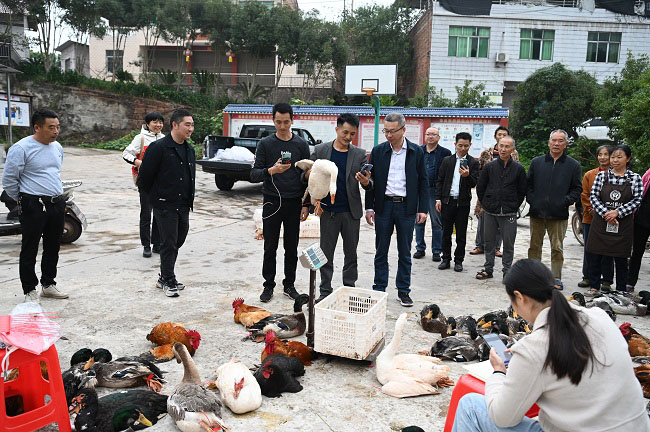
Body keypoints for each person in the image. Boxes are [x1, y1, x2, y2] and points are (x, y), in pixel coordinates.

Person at [452, 259, 650, 432]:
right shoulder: (599, 317)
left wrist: (498, 372)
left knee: (469, 406)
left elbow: (503, 417)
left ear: (520, 297)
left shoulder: (533, 349)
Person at [2, 108, 69, 302]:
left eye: (57, 127)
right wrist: (24, 199)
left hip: (56, 202)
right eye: (51, 127)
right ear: (37, 127)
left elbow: (55, 173)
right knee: (30, 247)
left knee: (52, 246)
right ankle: (29, 290)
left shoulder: (57, 147)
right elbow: (9, 180)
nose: (56, 131)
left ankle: (48, 284)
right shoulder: (22, 148)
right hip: (33, 204)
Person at [302, 113, 370, 303]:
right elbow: (306, 177)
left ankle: (349, 289)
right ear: (337, 129)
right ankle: (325, 291)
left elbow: (369, 182)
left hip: (350, 211)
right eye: (345, 132)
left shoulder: (359, 154)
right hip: (327, 211)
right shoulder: (321, 150)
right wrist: (308, 176)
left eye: (352, 134)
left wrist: (365, 181)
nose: (348, 137)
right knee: (326, 253)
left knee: (351, 253)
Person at [365, 112, 428, 307]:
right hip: (383, 206)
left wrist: (423, 209)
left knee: (405, 252)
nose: (389, 135)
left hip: (406, 208)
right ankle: (379, 288)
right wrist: (369, 207)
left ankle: (403, 290)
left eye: (393, 131)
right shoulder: (378, 151)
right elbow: (370, 180)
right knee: (381, 251)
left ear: (403, 130)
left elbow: (423, 182)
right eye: (386, 131)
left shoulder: (416, 152)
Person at [251, 103, 310, 303]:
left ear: (292, 120)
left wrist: (306, 204)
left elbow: (307, 176)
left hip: (294, 202)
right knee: (270, 246)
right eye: (278, 122)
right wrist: (271, 171)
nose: (282, 126)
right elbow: (253, 174)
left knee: (291, 247)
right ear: (273, 121)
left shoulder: (301, 145)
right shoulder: (266, 144)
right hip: (271, 201)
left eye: (286, 122)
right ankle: (268, 286)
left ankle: (289, 285)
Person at [137, 108, 195, 298]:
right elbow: (144, 178)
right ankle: (168, 279)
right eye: (187, 124)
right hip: (164, 204)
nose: (191, 128)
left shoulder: (189, 149)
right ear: (175, 125)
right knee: (169, 243)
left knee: (179, 239)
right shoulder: (159, 148)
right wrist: (156, 199)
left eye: (192, 125)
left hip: (183, 204)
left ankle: (164, 275)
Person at [526, 129, 581, 290]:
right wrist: (533, 201)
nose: (557, 144)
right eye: (554, 140)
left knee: (557, 247)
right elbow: (528, 185)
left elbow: (577, 189)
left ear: (566, 144)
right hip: (537, 212)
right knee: (534, 246)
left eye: (561, 141)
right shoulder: (537, 162)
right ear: (549, 142)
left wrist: (564, 202)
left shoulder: (573, 165)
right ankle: (534, 275)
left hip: (559, 214)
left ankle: (556, 277)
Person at [587, 144, 642, 293]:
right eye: (613, 157)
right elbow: (594, 196)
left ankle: (621, 289)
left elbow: (637, 200)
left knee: (621, 258)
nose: (615, 160)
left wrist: (618, 212)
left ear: (628, 159)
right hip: (601, 221)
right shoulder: (602, 175)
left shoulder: (634, 178)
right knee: (596, 254)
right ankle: (594, 286)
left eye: (619, 157)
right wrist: (607, 213)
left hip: (622, 223)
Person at [475, 136, 526, 279]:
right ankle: (488, 269)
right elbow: (481, 187)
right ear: (497, 147)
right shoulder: (489, 167)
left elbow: (522, 190)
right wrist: (486, 204)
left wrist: (514, 205)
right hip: (490, 211)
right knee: (489, 242)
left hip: (509, 212)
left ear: (513, 149)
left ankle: (507, 272)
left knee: (508, 244)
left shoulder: (518, 169)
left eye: (507, 146)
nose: (503, 149)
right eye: (501, 146)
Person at [435, 132, 480, 272]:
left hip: (463, 203)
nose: (462, 148)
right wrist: (438, 199)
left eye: (466, 146)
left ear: (470, 145)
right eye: (460, 145)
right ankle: (446, 258)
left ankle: (459, 260)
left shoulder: (473, 162)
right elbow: (440, 180)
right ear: (455, 145)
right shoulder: (447, 160)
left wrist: (466, 176)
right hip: (447, 202)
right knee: (446, 232)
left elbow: (474, 183)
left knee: (461, 233)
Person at [122, 111, 165, 258]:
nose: (158, 125)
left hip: (160, 184)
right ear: (148, 124)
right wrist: (137, 161)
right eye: (155, 122)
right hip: (146, 182)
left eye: (160, 122)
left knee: (159, 214)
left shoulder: (165, 139)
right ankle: (146, 245)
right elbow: (126, 153)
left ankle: (157, 244)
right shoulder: (140, 138)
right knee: (146, 214)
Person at [470, 126, 513, 257]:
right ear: (495, 137)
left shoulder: (513, 153)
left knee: (500, 221)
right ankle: (480, 245)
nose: (501, 136)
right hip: (488, 192)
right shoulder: (486, 153)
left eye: (504, 134)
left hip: (504, 194)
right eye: (499, 134)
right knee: (483, 219)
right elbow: (480, 172)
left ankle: (496, 247)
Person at [578, 144, 614, 294]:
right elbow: (584, 195)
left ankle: (606, 280)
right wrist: (592, 209)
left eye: (606, 154)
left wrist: (608, 212)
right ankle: (588, 276)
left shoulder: (619, 175)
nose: (603, 157)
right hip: (590, 217)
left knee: (608, 249)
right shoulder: (590, 175)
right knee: (589, 248)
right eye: (600, 154)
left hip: (611, 218)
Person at [413, 126, 450, 262]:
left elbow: (446, 175)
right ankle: (420, 248)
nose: (430, 136)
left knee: (437, 222)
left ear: (438, 137)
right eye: (428, 134)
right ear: (425, 136)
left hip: (435, 191)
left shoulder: (445, 153)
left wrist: (441, 196)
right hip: (419, 190)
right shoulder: (418, 151)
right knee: (418, 220)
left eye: (433, 134)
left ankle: (436, 251)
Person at [628, 167, 650, 291]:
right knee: (636, 253)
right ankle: (630, 282)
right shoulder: (648, 174)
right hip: (642, 220)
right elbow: (639, 195)